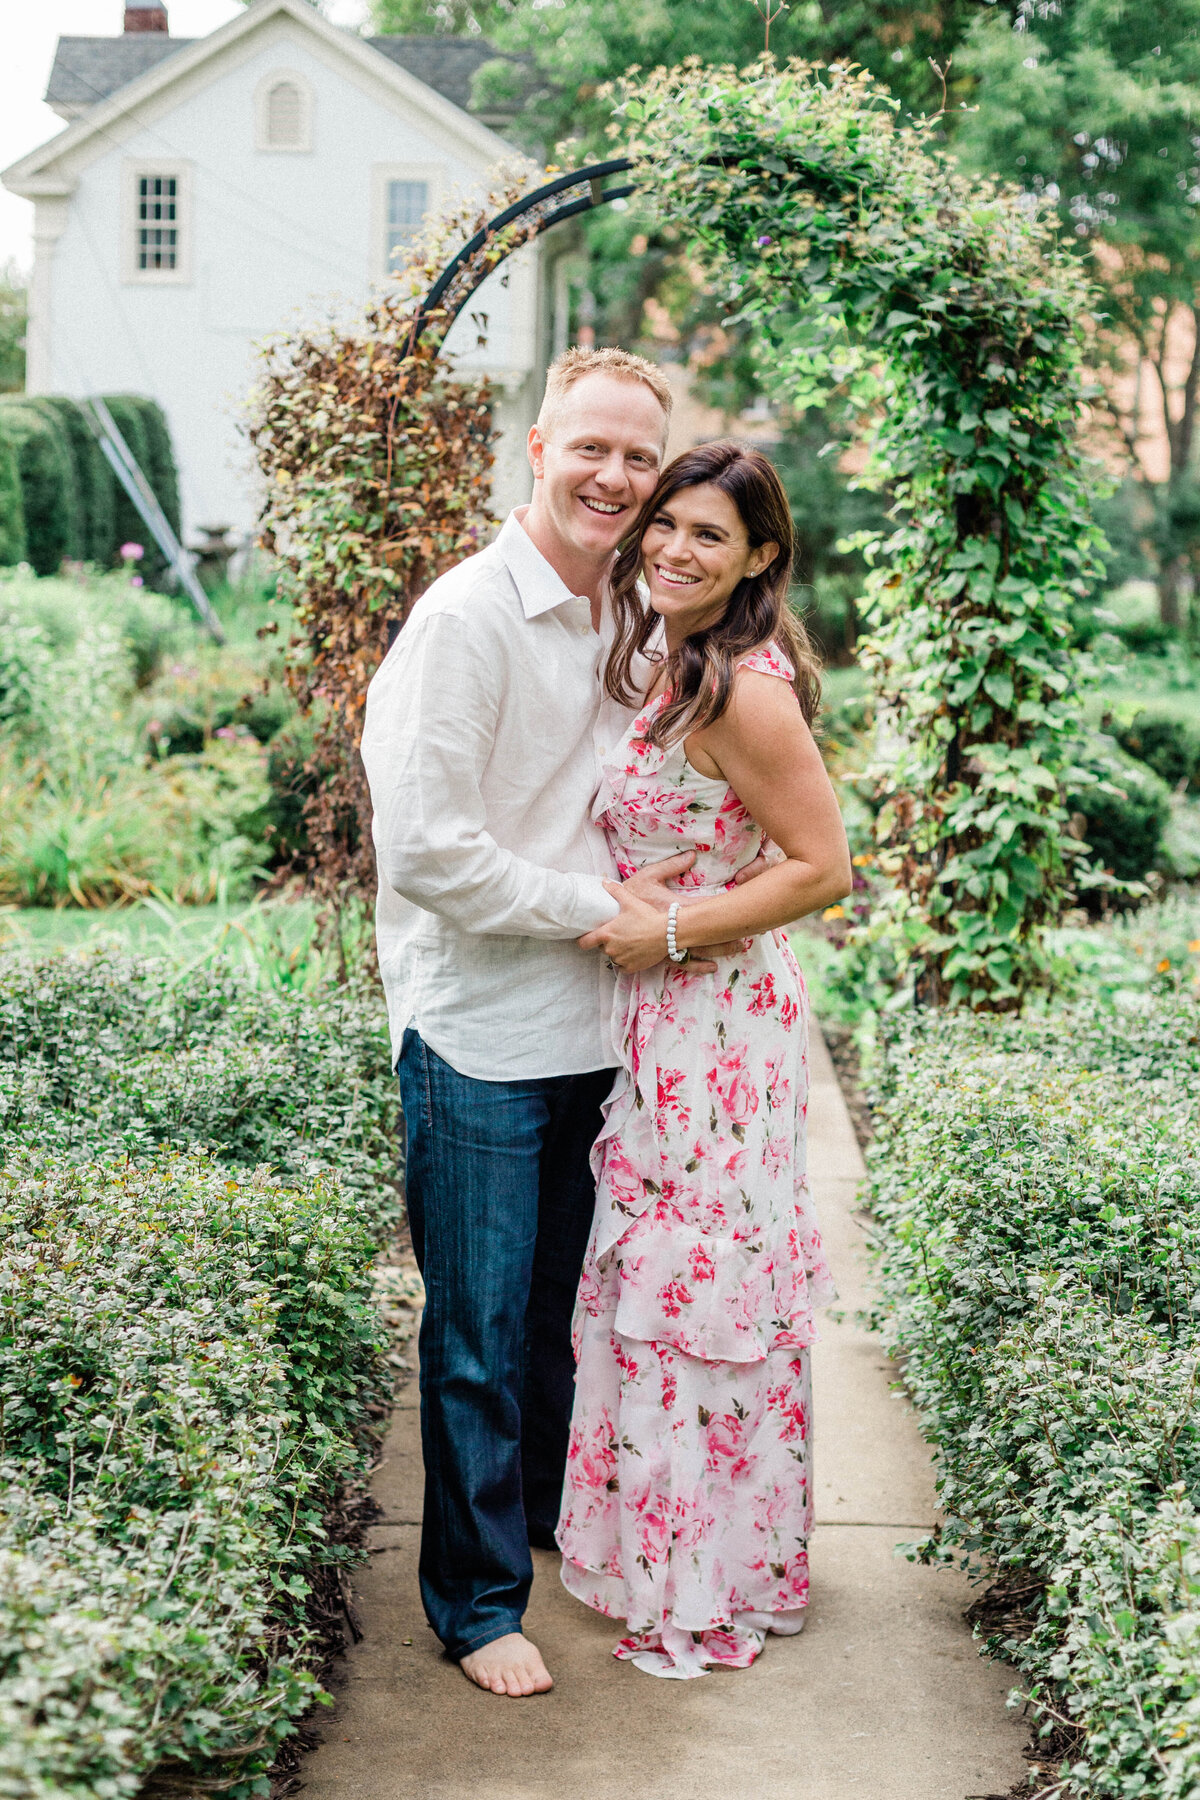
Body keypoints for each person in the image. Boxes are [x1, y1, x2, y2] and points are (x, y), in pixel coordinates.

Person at [360, 348, 751, 1700]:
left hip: (601, 1028)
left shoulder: (625, 619)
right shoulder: (465, 621)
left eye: (639, 459)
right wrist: (600, 903)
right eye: (593, 448)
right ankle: (475, 1610)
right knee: (473, 1333)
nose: (617, 478)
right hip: (479, 1035)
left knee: (556, 1319)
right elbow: (426, 850)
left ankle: (534, 1522)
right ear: (538, 449)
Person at [556, 441, 852, 1678]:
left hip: (720, 1034)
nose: (675, 548)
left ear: (761, 558)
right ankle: (690, 1548)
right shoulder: (676, 664)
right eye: (666, 524)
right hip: (670, 1026)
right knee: (663, 1289)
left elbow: (824, 868)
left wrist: (664, 925)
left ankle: (703, 1575)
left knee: (693, 1297)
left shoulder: (742, 686)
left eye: (709, 536)